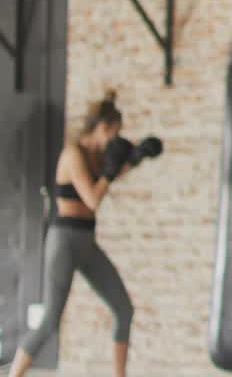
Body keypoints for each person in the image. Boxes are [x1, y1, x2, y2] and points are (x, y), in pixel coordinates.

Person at [8, 91, 159, 377]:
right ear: (102, 127)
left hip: (87, 242)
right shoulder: (73, 154)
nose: (114, 139)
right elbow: (92, 198)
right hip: (64, 240)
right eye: (114, 133)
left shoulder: (97, 158)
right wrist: (111, 172)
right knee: (50, 320)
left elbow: (110, 175)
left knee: (123, 309)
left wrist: (137, 157)